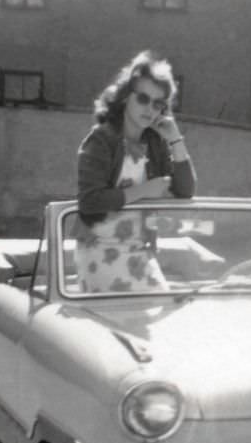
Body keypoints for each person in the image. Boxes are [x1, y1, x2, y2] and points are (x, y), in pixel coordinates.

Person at [75, 50, 196, 293]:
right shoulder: (101, 140)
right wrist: (144, 191)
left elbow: (185, 191)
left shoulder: (155, 143)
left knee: (162, 307)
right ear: (124, 97)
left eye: (158, 103)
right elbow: (89, 201)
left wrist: (175, 139)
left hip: (140, 248)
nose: (149, 108)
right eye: (143, 98)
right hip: (98, 249)